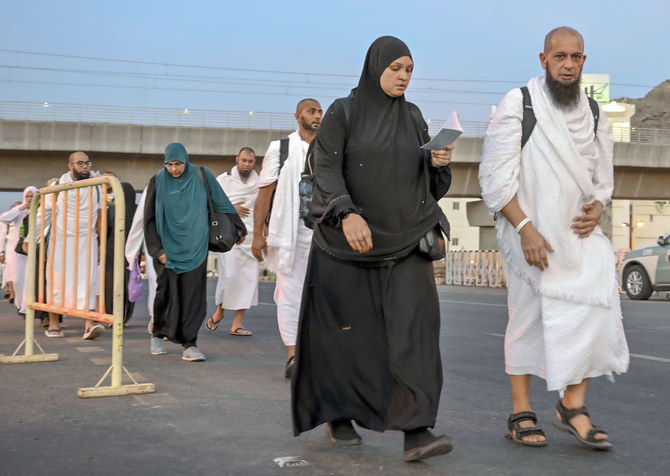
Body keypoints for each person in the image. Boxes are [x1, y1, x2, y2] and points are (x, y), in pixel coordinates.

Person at [291, 36, 454, 463]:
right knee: (348, 335)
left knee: (415, 331)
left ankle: (416, 430)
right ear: (375, 66)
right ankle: (339, 412)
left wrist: (438, 164)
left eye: (410, 71)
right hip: (348, 243)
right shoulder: (342, 114)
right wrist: (346, 213)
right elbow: (325, 167)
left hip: (404, 242)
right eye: (396, 68)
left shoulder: (414, 116)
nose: (403, 77)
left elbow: (426, 183)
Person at [478, 26, 630, 450]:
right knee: (527, 319)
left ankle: (572, 406)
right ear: (543, 60)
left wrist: (599, 206)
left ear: (584, 61)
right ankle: (520, 411)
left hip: (578, 235)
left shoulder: (595, 113)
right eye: (559, 56)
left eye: (576, 57)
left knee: (596, 309)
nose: (568, 64)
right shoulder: (519, 103)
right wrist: (525, 228)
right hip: (530, 234)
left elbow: (603, 180)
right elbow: (493, 177)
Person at [144, 142, 242, 362]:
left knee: (192, 299)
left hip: (195, 247)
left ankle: (190, 344)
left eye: (178, 164)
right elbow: (148, 219)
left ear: (185, 161)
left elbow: (221, 203)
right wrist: (156, 250)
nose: (174, 169)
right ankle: (157, 333)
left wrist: (239, 227)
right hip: (166, 250)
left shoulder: (202, 175)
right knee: (165, 295)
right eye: (169, 164)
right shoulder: (158, 181)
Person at [252, 98, 322, 377]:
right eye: (311, 111)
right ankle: (293, 354)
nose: (317, 116)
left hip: (324, 233)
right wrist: (257, 235)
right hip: (289, 234)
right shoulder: (280, 149)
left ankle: (319, 353)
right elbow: (265, 193)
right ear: (298, 116)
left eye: (319, 112)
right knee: (290, 294)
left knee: (322, 295)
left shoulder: (330, 147)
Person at [32, 153, 106, 339]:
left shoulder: (96, 187)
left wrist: (103, 244)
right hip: (60, 241)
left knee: (89, 282)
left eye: (87, 163)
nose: (84, 166)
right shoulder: (57, 187)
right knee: (57, 282)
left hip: (87, 241)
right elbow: (44, 215)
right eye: (79, 163)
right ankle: (54, 325)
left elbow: (100, 217)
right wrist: (29, 239)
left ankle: (89, 325)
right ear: (70, 165)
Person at [206, 147, 260, 336]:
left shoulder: (259, 182)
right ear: (237, 159)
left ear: (254, 162)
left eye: (250, 161)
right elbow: (211, 202)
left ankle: (237, 324)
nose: (247, 164)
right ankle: (220, 311)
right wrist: (231, 207)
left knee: (248, 281)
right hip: (230, 237)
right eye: (244, 160)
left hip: (252, 237)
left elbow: (264, 207)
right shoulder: (223, 179)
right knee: (229, 278)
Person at [104, 181, 137, 324]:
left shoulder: (113, 210)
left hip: (121, 253)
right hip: (122, 253)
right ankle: (118, 316)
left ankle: (117, 316)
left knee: (120, 286)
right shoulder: (113, 210)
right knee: (120, 285)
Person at [0, 190, 36, 314]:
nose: (30, 199)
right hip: (18, 252)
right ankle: (20, 303)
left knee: (31, 279)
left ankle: (28, 306)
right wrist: (20, 208)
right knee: (18, 280)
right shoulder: (19, 212)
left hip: (34, 250)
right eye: (28, 196)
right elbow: (4, 218)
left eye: (33, 196)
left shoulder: (40, 210)